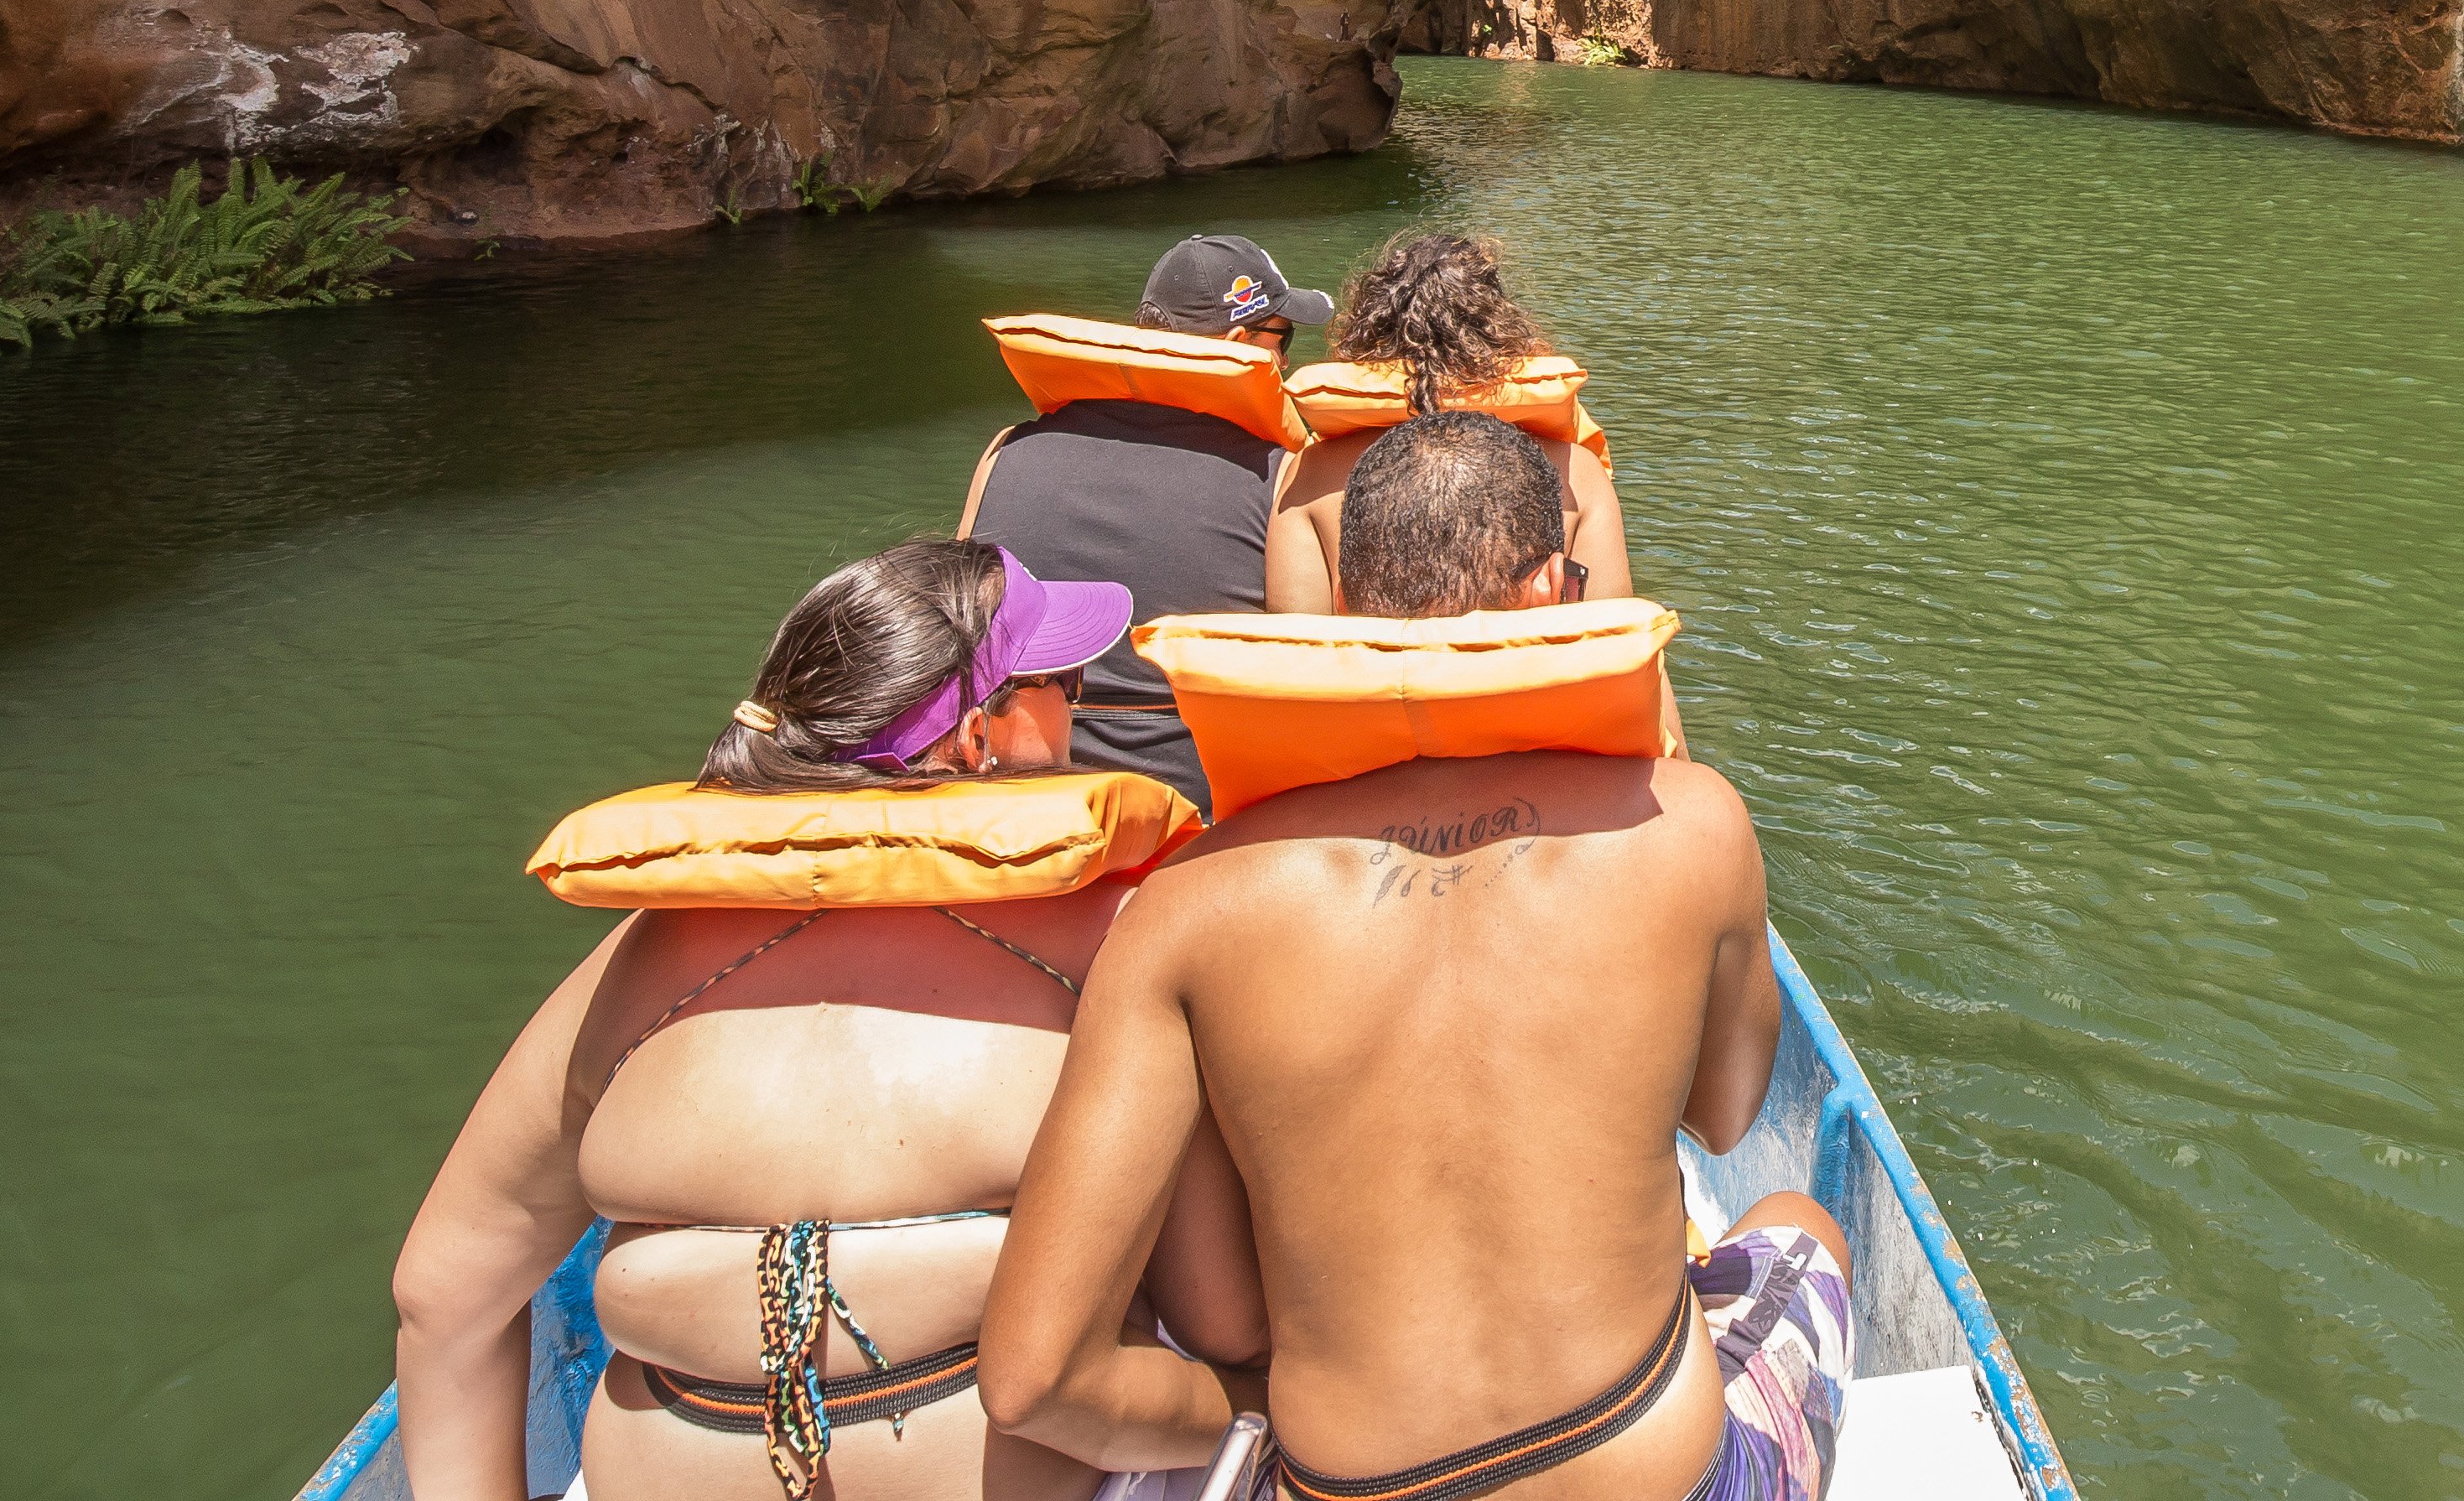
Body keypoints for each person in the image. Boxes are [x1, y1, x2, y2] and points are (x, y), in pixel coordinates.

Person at [979, 413, 1853, 1501]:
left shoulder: (1186, 903)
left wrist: (1257, 1417)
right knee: (1798, 1228)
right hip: (1660, 1477)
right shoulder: (1694, 824)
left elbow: (1031, 1380)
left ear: (1348, 606)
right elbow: (1725, 1121)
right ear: (1547, 590)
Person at [386, 540, 1259, 1501]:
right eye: (1063, 681)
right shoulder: (1112, 937)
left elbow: (444, 1302)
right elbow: (1219, 1318)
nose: (1079, 707)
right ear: (977, 737)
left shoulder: (641, 962)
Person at [964, 234, 1338, 814]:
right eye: (1282, 338)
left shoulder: (1005, 451)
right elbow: (1309, 676)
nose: (1287, 360)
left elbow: (954, 624)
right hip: (1194, 808)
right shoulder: (1284, 476)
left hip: (1015, 794)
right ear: (1243, 344)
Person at [1265, 231, 1633, 615]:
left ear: (1365, 327)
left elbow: (1298, 637)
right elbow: (1607, 634)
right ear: (1501, 324)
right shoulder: (1579, 475)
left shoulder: (1307, 475)